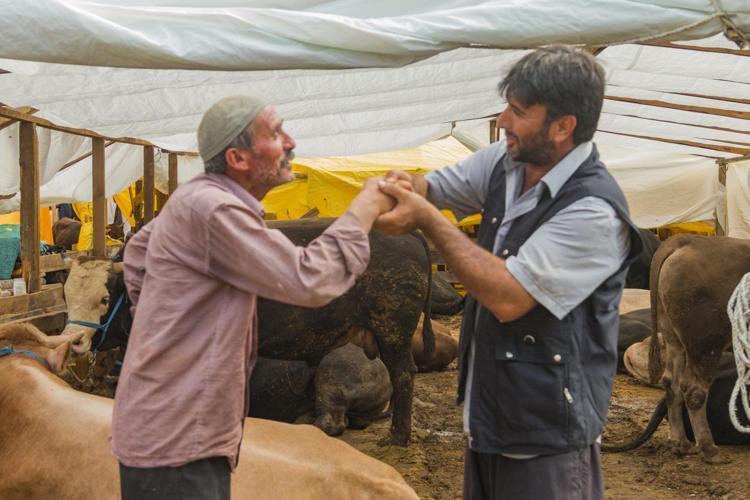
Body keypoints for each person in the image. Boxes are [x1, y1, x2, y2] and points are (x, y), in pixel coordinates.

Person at [375, 46, 642, 500]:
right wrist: (402, 187)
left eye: (518, 111)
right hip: (492, 419)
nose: (503, 120)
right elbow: (434, 187)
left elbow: (509, 296)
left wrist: (426, 220)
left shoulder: (593, 212)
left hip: (547, 435)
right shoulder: (506, 162)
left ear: (563, 126)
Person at [111, 95, 395, 500]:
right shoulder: (215, 210)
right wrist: (364, 208)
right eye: (277, 133)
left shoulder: (194, 198)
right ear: (238, 158)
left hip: (171, 426)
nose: (291, 141)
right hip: (179, 438)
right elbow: (309, 278)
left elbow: (137, 253)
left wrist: (170, 329)